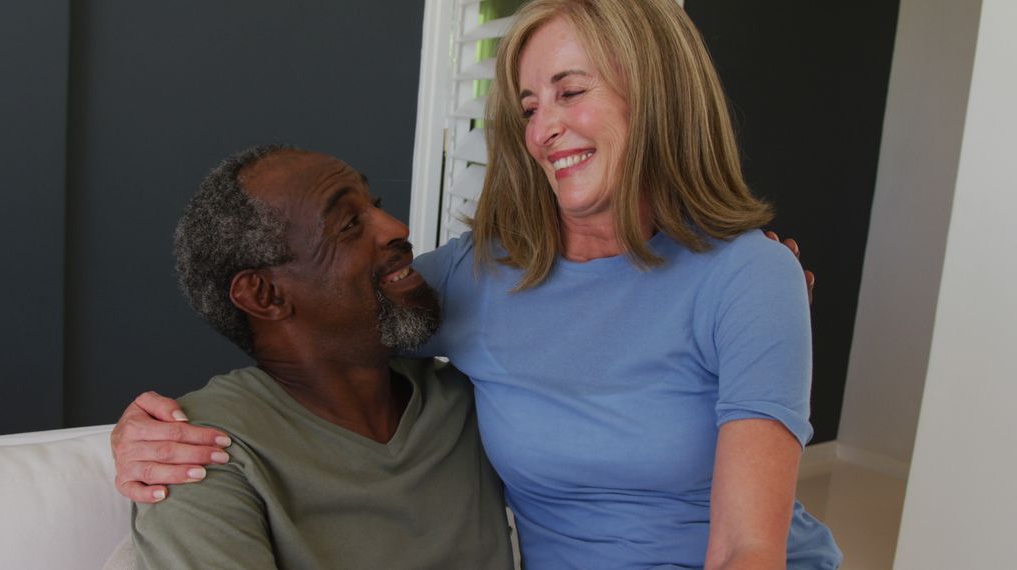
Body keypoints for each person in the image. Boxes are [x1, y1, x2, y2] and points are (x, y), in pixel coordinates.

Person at [112, 0, 840, 568]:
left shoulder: (747, 275)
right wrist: (142, 430)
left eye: (570, 91)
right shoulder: (484, 276)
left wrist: (769, 305)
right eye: (529, 107)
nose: (544, 129)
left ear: (657, 95)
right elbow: (315, 328)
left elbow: (748, 551)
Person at [127, 145, 513, 569]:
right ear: (264, 294)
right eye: (349, 224)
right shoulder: (199, 454)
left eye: (376, 206)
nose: (395, 227)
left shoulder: (469, 398)